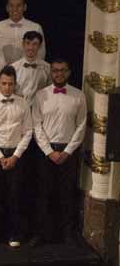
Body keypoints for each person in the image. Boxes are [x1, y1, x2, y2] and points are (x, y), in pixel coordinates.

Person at [31, 59, 87, 246]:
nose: (58, 74)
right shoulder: (41, 95)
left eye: (62, 70)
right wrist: (49, 151)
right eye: (55, 71)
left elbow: (81, 125)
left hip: (68, 151)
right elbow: (36, 125)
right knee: (42, 193)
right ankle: (40, 234)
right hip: (45, 151)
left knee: (66, 194)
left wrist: (68, 151)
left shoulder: (79, 96)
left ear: (69, 72)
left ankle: (67, 234)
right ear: (51, 73)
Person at [0, 66, 33, 248]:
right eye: (4, 83)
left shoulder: (23, 103)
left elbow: (28, 132)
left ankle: (14, 233)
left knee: (15, 195)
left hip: (17, 155)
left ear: (15, 84)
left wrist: (15, 156)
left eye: (10, 84)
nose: (7, 87)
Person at [0, 0, 46, 65]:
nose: (15, 9)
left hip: (27, 71)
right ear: (7, 8)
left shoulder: (36, 27)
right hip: (3, 71)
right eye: (11, 6)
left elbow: (41, 53)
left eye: (19, 5)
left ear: (25, 7)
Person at [11, 31, 50, 103]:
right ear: (23, 44)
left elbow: (50, 91)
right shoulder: (13, 68)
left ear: (40, 46)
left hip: (40, 108)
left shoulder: (47, 68)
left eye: (35, 44)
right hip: (19, 107)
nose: (30, 47)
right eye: (28, 43)